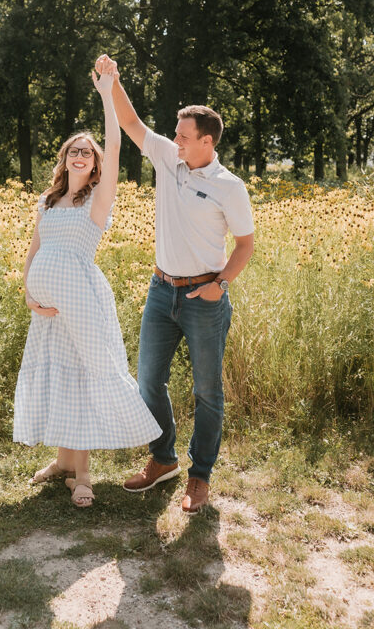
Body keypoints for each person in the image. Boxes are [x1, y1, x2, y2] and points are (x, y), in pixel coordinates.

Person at [94, 54, 254, 514]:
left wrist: (220, 285)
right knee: (148, 380)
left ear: (207, 141)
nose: (175, 141)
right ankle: (162, 459)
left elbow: (244, 244)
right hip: (161, 291)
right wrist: (114, 80)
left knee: (208, 391)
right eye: (176, 135)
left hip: (205, 297)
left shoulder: (230, 186)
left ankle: (199, 477)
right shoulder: (168, 156)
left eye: (184, 136)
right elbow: (129, 120)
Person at [13, 68, 161, 508]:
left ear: (94, 163)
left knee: (82, 379)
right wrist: (29, 294)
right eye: (74, 150)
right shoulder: (48, 200)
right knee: (59, 375)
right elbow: (33, 250)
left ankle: (83, 476)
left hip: (82, 299)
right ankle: (62, 462)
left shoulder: (97, 200)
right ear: (64, 159)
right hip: (48, 308)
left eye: (87, 152)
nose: (81, 155)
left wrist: (106, 93)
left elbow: (115, 145)